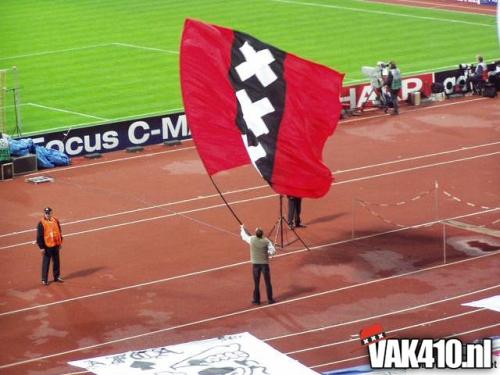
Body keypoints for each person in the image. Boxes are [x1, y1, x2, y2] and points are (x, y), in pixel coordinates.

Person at [240, 225, 276, 305]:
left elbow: (244, 236)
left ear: (256, 234)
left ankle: (257, 300)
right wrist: (268, 254)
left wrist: (242, 228)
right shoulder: (266, 241)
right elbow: (273, 251)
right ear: (262, 234)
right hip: (264, 265)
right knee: (268, 282)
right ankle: (270, 299)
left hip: (255, 265)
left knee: (256, 283)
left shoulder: (252, 239)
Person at [36, 207, 64, 286]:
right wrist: (41, 247)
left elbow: (59, 231)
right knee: (46, 262)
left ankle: (57, 276)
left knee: (56, 262)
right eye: (46, 213)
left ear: (51, 213)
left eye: (49, 213)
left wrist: (60, 242)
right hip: (47, 246)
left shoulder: (55, 220)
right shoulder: (41, 223)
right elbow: (39, 236)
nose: (47, 215)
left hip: (55, 245)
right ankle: (44, 279)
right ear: (44, 213)